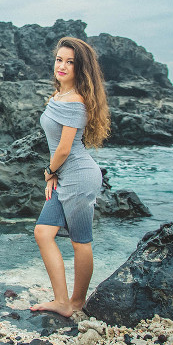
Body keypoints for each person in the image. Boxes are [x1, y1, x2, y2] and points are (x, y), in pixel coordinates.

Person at [31, 37, 110, 317]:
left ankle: (76, 303)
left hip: (78, 175)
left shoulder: (75, 100)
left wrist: (50, 171)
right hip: (66, 174)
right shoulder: (59, 96)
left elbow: (65, 148)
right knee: (43, 232)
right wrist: (54, 175)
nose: (62, 66)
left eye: (70, 62)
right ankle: (62, 300)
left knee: (80, 241)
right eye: (59, 60)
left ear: (81, 68)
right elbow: (61, 148)